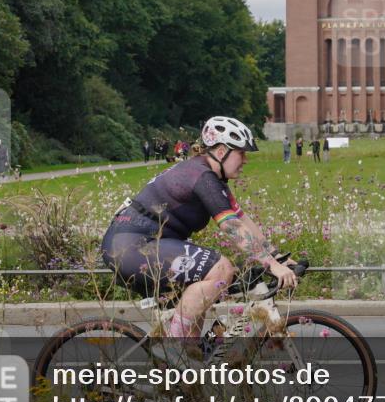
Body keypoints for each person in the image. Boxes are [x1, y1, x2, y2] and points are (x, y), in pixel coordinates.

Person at [101, 116, 298, 345]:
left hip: (142, 244)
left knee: (203, 292)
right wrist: (271, 266)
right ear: (222, 151)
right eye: (241, 153)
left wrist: (277, 257)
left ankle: (189, 358)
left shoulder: (210, 178)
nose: (245, 160)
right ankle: (178, 352)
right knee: (221, 268)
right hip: (131, 246)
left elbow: (243, 220)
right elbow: (232, 227)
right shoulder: (202, 177)